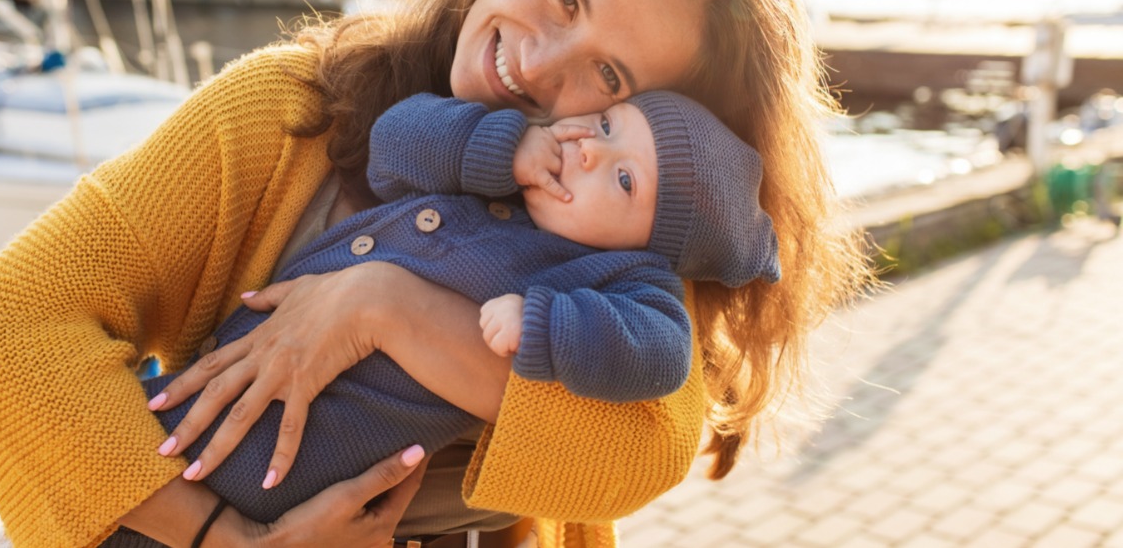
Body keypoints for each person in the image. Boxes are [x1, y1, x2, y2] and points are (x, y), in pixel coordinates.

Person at [0, 0, 872, 548]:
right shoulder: (287, 108)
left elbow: (640, 444)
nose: (541, 67)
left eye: (611, 78)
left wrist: (385, 306)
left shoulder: (603, 226)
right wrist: (230, 541)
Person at [101, 89, 779, 545]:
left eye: (624, 180)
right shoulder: (495, 168)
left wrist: (542, 323)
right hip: (213, 388)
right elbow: (393, 141)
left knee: (170, 487)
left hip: (299, 459)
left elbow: (658, 353)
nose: (589, 150)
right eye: (606, 124)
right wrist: (499, 146)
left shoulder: (621, 274)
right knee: (129, 453)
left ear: (652, 247)